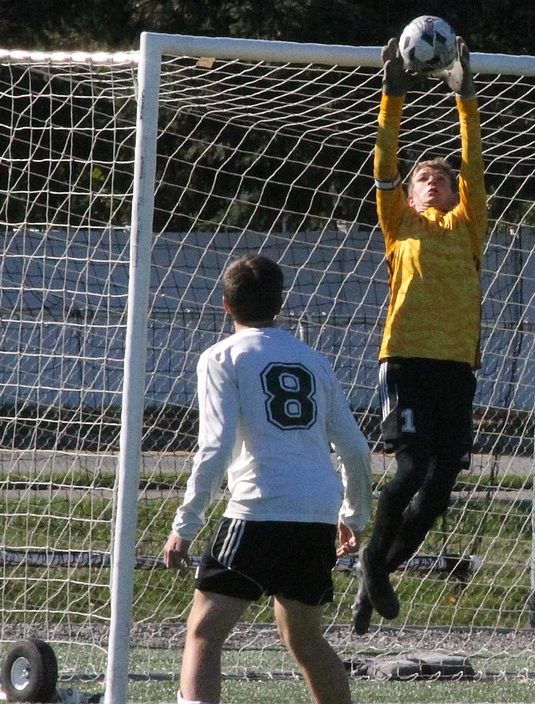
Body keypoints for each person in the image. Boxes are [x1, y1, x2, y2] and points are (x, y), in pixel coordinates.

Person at [162, 254, 373, 704]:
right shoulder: (313, 359)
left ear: (225, 305)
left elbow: (214, 447)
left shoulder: (222, 357)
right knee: (305, 638)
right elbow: (355, 448)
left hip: (258, 510)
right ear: (281, 303)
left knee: (203, 632)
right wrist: (353, 516)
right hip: (316, 515)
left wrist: (186, 525)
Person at [353, 34, 486, 634]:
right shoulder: (397, 222)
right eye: (422, 177)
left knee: (437, 492)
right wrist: (393, 96)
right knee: (407, 471)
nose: (433, 180)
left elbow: (475, 162)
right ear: (407, 195)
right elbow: (383, 166)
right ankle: (373, 567)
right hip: (406, 359)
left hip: (457, 367)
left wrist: (465, 97)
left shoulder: (466, 226)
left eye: (441, 176)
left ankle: (374, 572)